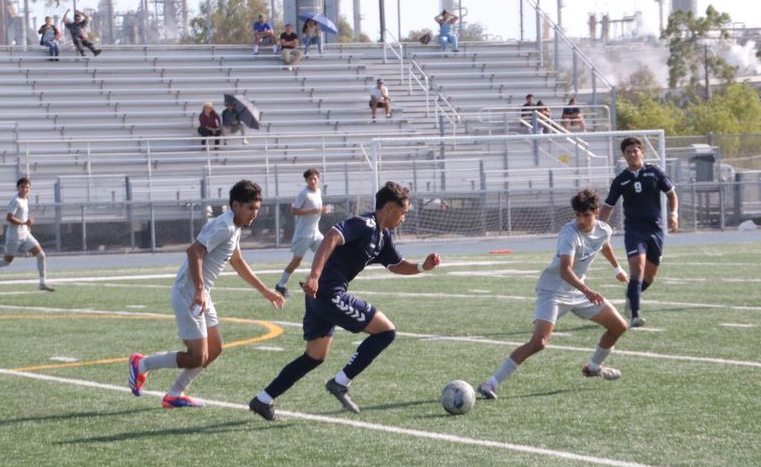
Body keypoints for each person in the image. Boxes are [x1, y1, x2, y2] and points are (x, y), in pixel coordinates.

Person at [248, 181, 441, 421]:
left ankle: (263, 399)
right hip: (329, 293)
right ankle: (340, 382)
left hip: (321, 296)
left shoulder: (383, 236)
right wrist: (315, 276)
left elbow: (396, 265)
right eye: (403, 213)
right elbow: (331, 237)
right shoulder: (365, 224)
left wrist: (423, 266)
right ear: (390, 208)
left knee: (314, 356)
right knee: (386, 332)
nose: (403, 218)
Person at [128, 180, 285, 408]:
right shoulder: (224, 226)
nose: (255, 214)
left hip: (202, 294)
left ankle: (175, 394)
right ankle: (141, 364)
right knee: (197, 356)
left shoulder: (234, 227)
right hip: (189, 294)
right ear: (236, 205)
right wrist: (200, 290)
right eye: (251, 208)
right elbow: (194, 251)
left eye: (258, 209)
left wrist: (265, 291)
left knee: (215, 348)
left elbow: (237, 261)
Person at [476, 189, 629, 400]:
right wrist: (587, 291)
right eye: (577, 215)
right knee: (539, 342)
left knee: (619, 326)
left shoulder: (604, 230)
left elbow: (604, 245)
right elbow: (566, 270)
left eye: (585, 215)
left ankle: (594, 367)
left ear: (596, 212)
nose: (581, 220)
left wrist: (617, 269)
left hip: (578, 291)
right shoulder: (569, 233)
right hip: (553, 291)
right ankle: (490, 383)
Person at [598, 136, 679, 328]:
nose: (632, 154)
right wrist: (599, 228)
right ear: (624, 155)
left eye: (635, 150)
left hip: (656, 229)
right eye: (628, 151)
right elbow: (608, 206)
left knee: (649, 278)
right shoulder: (620, 180)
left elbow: (671, 194)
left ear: (641, 152)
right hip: (634, 230)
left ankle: (631, 296)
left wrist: (674, 214)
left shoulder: (655, 172)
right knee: (638, 270)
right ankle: (635, 315)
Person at [0, 177, 55, 291]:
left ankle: (42, 283)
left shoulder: (25, 199)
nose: (25, 189)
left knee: (41, 255)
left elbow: (22, 218)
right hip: (14, 235)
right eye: (22, 187)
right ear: (18, 188)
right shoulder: (16, 200)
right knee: (6, 261)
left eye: (27, 187)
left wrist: (26, 224)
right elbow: (9, 217)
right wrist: (25, 222)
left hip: (25, 234)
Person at [273, 168, 329, 297]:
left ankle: (311, 280)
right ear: (306, 181)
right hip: (303, 233)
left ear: (318, 179)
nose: (313, 181)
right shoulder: (304, 194)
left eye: (315, 178)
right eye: (310, 179)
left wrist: (320, 210)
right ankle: (280, 285)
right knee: (296, 262)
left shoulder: (318, 192)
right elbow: (294, 211)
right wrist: (315, 210)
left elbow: (317, 210)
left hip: (315, 233)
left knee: (326, 255)